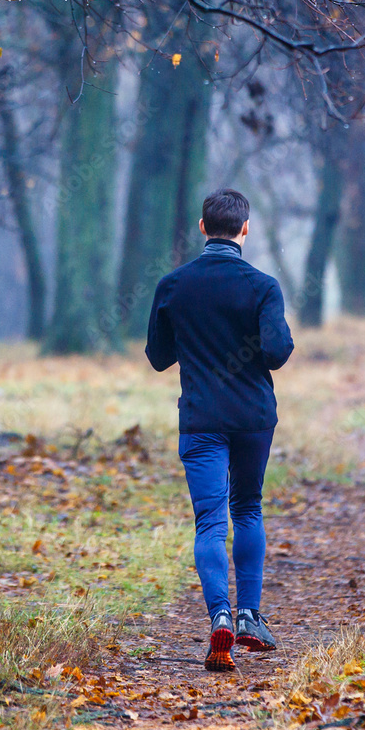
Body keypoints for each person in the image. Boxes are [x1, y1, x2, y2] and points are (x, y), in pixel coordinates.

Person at [145, 188, 294, 671]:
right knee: (247, 508)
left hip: (202, 419)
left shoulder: (173, 285)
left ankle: (220, 616)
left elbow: (158, 357)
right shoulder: (263, 286)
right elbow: (277, 353)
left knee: (210, 521)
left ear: (203, 227)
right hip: (253, 418)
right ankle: (250, 615)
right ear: (245, 228)